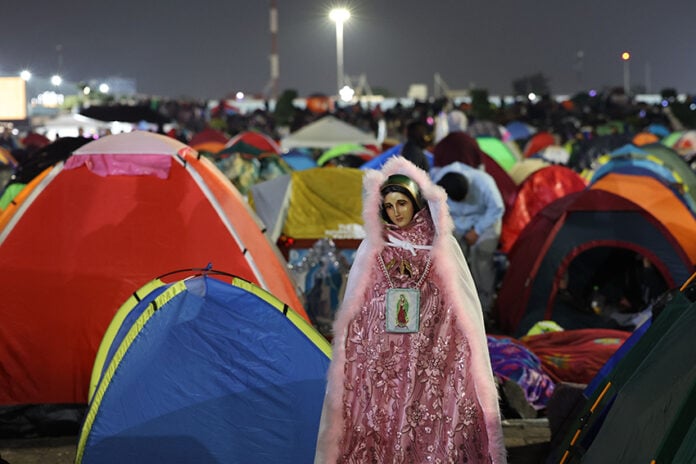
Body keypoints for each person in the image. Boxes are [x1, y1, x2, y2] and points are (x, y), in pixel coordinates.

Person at [315, 157, 506, 463]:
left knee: (425, 417)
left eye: (402, 203)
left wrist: (432, 316)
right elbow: (359, 302)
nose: (396, 212)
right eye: (389, 206)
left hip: (430, 351)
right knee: (384, 417)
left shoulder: (440, 245)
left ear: (415, 203)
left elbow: (457, 302)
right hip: (385, 355)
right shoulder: (374, 244)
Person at [431, 162, 504, 317]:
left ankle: (485, 306)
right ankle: (457, 303)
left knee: (482, 255)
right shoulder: (438, 183)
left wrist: (477, 231)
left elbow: (497, 209)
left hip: (486, 220)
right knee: (452, 256)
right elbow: (438, 213)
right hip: (457, 223)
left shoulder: (484, 183)